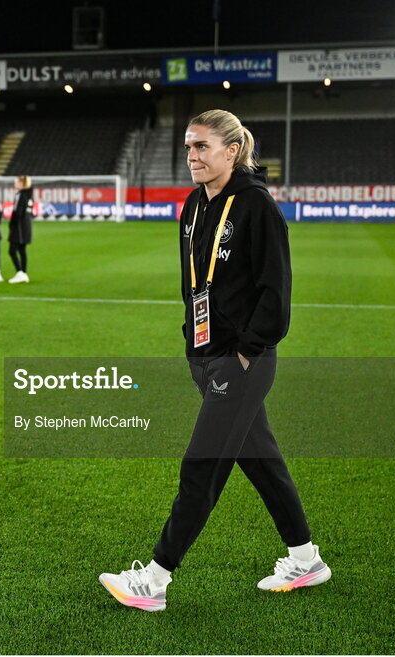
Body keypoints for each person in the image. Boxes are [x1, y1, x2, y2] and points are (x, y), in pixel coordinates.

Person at [99, 110, 330, 612]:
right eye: (187, 148)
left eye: (202, 147)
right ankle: (306, 557)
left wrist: (248, 351)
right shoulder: (193, 205)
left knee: (201, 465)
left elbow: (277, 292)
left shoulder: (256, 207)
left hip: (242, 360)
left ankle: (156, 578)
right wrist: (192, 342)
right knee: (263, 462)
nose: (192, 157)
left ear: (231, 150)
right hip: (204, 355)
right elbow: (194, 283)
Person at [7, 175, 33, 284]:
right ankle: (24, 273)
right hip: (27, 226)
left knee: (12, 250)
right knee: (22, 250)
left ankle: (20, 272)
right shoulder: (29, 195)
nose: (15, 183)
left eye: (17, 182)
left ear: (22, 184)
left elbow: (17, 212)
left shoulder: (20, 195)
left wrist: (12, 224)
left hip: (19, 227)